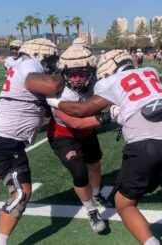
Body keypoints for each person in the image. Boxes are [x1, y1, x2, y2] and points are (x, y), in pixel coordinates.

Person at [47, 49, 162, 245]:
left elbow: (80, 110)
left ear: (108, 68)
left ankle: (152, 243)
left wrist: (54, 101)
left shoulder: (108, 81)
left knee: (125, 203)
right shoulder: (151, 71)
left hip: (142, 145)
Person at [0, 39, 62, 245]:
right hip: (6, 140)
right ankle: (0, 242)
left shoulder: (21, 66)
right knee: (21, 193)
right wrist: (64, 74)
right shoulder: (30, 66)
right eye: (50, 59)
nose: (52, 63)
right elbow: (51, 86)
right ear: (38, 55)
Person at [46, 44, 112, 233]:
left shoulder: (97, 83)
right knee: (79, 170)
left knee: (95, 165)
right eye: (72, 74)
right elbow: (75, 123)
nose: (77, 79)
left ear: (91, 71)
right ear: (64, 74)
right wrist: (109, 116)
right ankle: (91, 211)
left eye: (82, 73)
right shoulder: (56, 92)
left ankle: (97, 193)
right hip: (63, 133)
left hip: (88, 132)